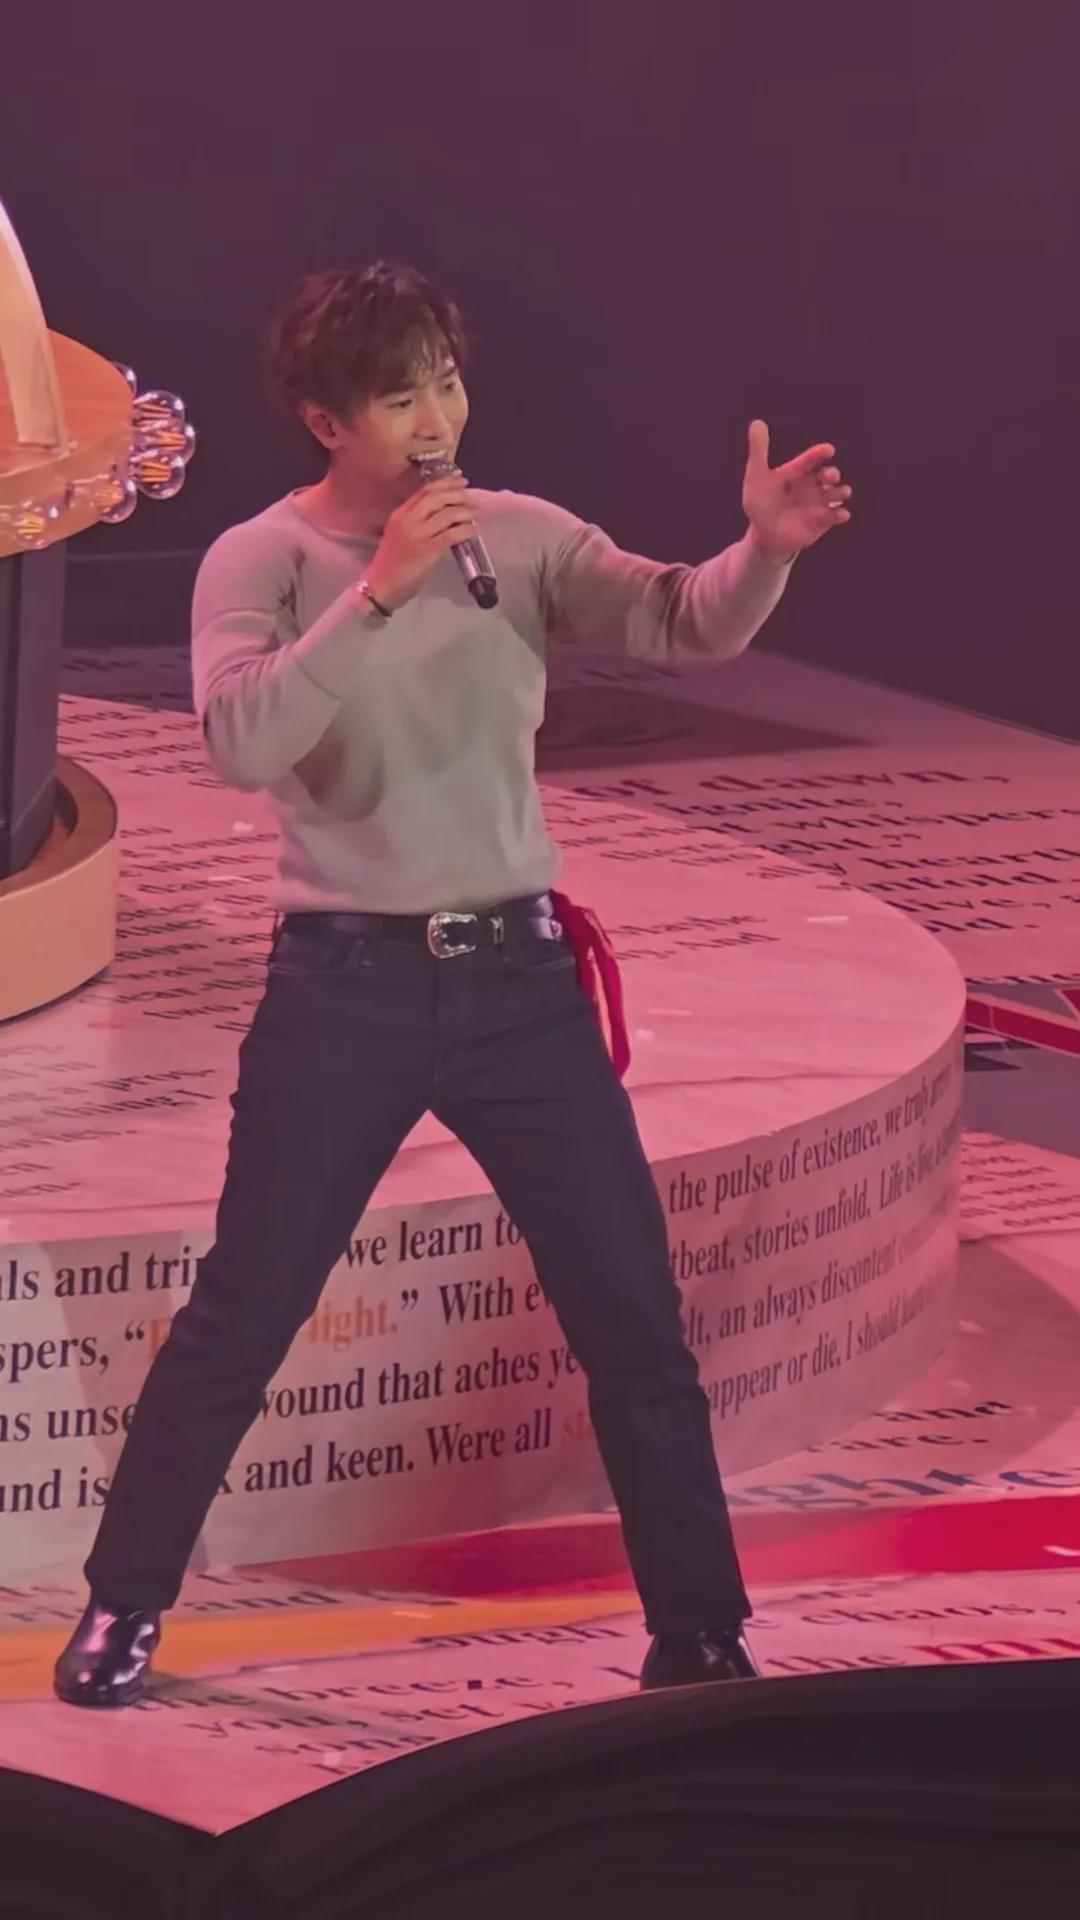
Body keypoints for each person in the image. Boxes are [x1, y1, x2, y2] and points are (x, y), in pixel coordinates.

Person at [55, 262, 852, 1707]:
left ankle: (699, 1633)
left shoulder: (520, 536)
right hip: (342, 990)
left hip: (518, 988)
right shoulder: (260, 561)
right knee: (244, 1313)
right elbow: (239, 742)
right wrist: (376, 595)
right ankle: (124, 1604)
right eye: (401, 397)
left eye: (447, 383)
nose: (438, 421)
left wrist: (765, 549)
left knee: (633, 1318)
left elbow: (681, 620)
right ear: (325, 420)